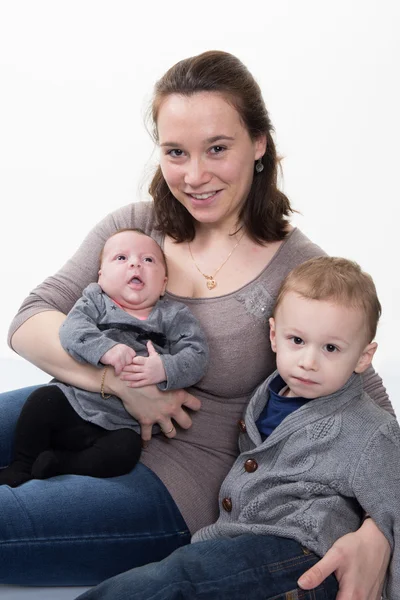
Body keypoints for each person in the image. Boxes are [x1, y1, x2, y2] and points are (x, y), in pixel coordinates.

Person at [0, 50, 392, 595]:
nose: (194, 175)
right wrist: (115, 383)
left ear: (259, 145)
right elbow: (30, 320)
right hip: (73, 410)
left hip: (173, 480)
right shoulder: (136, 229)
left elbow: (369, 404)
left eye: (217, 149)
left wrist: (379, 531)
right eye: (175, 152)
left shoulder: (300, 270)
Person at [76, 256, 400, 600]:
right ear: (274, 335)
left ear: (364, 357)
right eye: (297, 341)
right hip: (243, 545)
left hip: (299, 552)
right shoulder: (269, 393)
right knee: (173, 574)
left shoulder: (369, 430)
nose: (308, 361)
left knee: (173, 583)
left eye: (331, 348)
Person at [0, 229, 208, 487]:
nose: (135, 263)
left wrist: (165, 367)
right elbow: (71, 330)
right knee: (42, 401)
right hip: (76, 401)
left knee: (125, 452)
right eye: (121, 258)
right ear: (101, 276)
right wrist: (105, 349)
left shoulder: (174, 316)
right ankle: (21, 465)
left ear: (164, 283)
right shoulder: (95, 301)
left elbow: (197, 354)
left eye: (148, 260)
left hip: (121, 424)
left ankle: (59, 464)